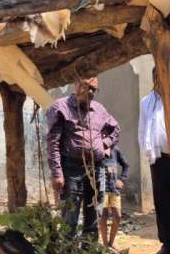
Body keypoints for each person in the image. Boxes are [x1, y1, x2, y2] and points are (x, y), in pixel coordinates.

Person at [47, 76, 120, 241]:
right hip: (71, 170)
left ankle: (90, 252)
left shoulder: (99, 109)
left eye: (94, 89)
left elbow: (116, 130)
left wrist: (104, 144)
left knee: (94, 216)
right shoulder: (61, 107)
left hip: (96, 170)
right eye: (86, 86)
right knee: (70, 218)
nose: (90, 92)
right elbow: (53, 142)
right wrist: (57, 173)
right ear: (76, 84)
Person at [138, 68, 170, 254]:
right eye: (158, 75)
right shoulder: (146, 102)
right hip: (158, 159)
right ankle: (166, 244)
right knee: (162, 202)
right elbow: (142, 128)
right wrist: (148, 153)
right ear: (154, 77)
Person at [99, 146, 129, 249]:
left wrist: (122, 179)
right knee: (103, 215)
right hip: (101, 188)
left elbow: (126, 165)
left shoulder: (115, 150)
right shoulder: (97, 149)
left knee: (118, 215)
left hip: (114, 189)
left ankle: (111, 243)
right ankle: (105, 245)